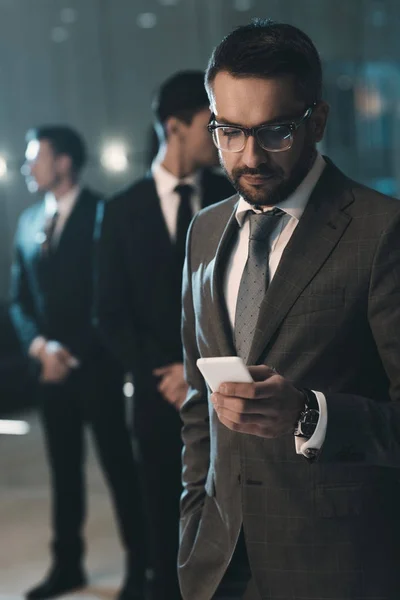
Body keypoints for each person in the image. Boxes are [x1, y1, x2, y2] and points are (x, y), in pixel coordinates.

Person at [178, 19, 400, 600]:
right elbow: (198, 403)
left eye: (274, 131)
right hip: (220, 563)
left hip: (336, 568)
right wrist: (193, 526)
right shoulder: (204, 232)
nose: (249, 156)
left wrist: (310, 414)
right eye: (229, 131)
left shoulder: (382, 231)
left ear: (317, 121)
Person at [94, 70, 234, 600]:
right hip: (156, 396)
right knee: (161, 522)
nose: (218, 137)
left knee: (225, 523)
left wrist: (196, 371)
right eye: (209, 124)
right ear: (175, 127)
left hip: (223, 389)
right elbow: (107, 315)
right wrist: (166, 374)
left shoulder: (229, 195)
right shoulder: (119, 210)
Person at [10, 126, 146, 600]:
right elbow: (19, 300)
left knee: (119, 469)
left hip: (97, 366)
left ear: (64, 162)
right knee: (63, 472)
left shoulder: (103, 214)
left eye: (36, 158)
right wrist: (40, 348)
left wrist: (72, 353)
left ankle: (141, 567)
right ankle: (67, 566)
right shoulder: (28, 221)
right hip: (49, 370)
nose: (29, 167)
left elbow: (112, 293)